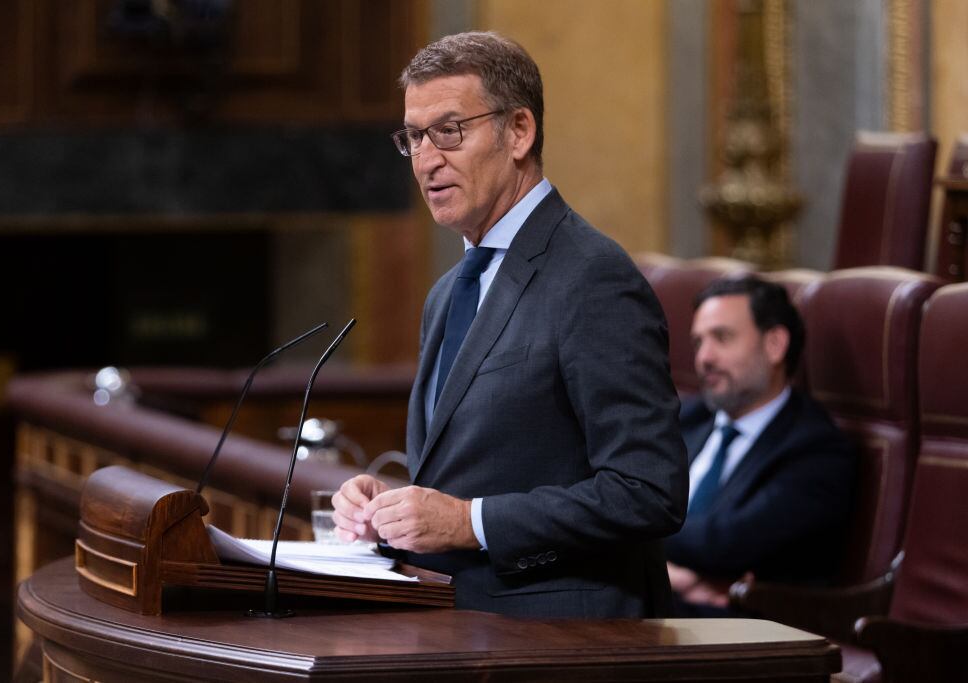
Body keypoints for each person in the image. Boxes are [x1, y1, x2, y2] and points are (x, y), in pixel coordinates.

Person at [331, 31, 688, 618]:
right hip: (456, 625)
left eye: (448, 131)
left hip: (561, 639)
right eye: (414, 137)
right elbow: (480, 469)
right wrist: (395, 511)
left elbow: (648, 490)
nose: (426, 160)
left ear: (518, 132)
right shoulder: (450, 291)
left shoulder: (593, 277)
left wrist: (468, 522)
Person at [663, 275, 855, 616]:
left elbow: (725, 543)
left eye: (721, 338)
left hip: (741, 630)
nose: (703, 358)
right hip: (668, 604)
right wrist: (672, 576)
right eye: (697, 343)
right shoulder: (684, 418)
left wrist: (630, 537)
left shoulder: (816, 450)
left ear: (775, 344)